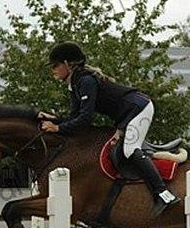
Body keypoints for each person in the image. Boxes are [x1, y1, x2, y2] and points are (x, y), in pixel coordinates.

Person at [39, 41, 180, 217]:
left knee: (129, 150)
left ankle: (163, 195)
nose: (53, 70)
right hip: (127, 113)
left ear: (68, 64)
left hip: (139, 108)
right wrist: (55, 119)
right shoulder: (74, 84)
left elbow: (85, 119)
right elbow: (75, 116)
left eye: (55, 65)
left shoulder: (86, 81)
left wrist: (58, 128)